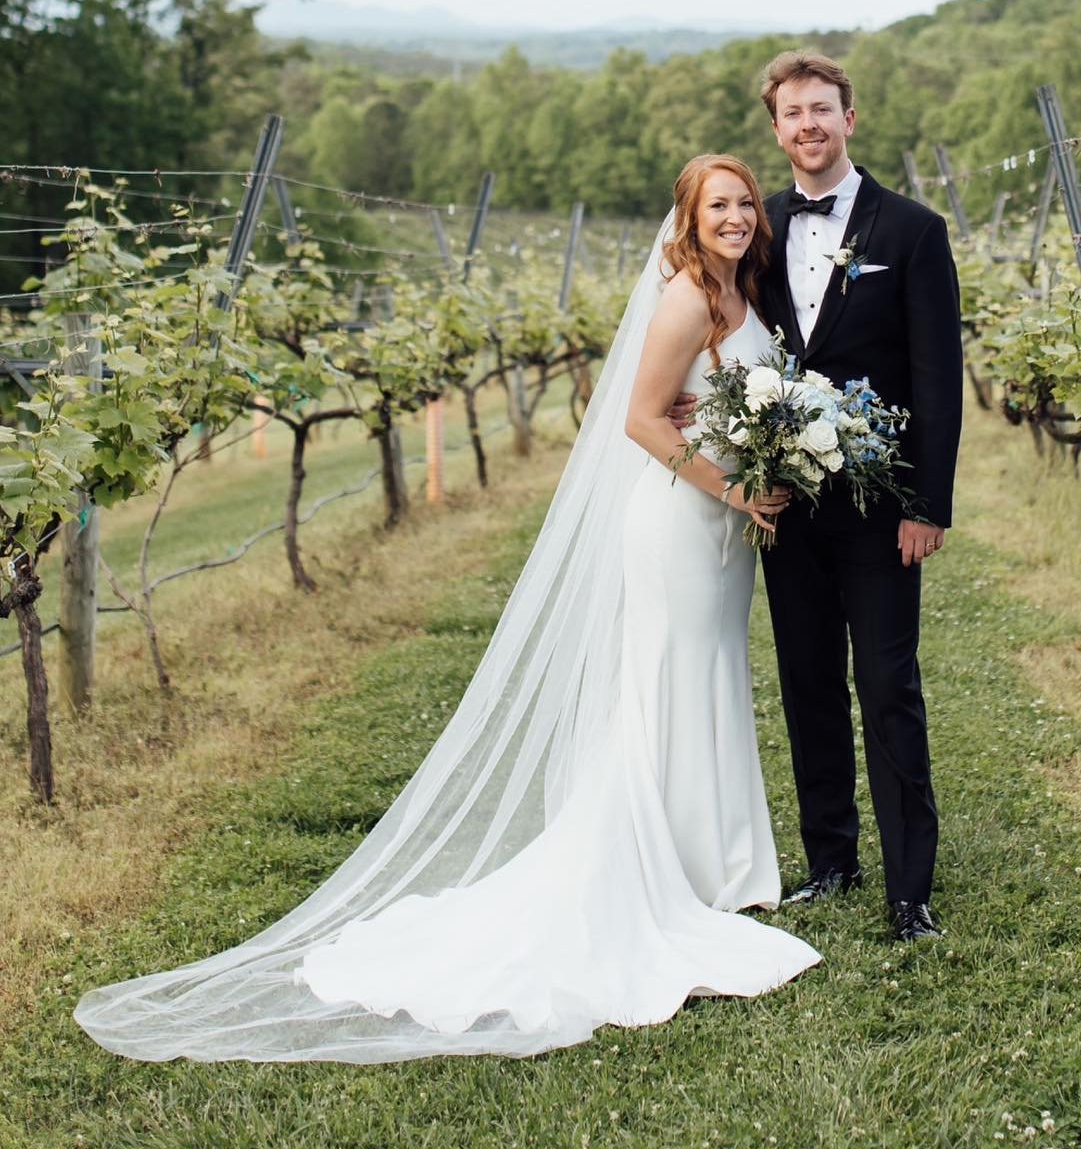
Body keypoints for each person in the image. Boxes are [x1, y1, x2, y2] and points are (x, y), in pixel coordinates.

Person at [74, 155, 819, 1063]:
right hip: (678, 521)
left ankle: (717, 865)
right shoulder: (685, 303)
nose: (737, 217)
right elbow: (641, 420)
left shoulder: (746, 299)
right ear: (689, 220)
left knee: (708, 676)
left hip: (721, 529)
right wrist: (735, 491)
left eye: (746, 203)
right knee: (665, 681)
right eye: (719, 207)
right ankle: (668, 871)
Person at [677, 52, 963, 942]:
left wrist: (929, 504)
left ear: (849, 119)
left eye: (821, 110)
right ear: (776, 129)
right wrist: (700, 402)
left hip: (881, 505)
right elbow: (725, 334)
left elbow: (937, 377)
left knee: (886, 684)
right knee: (805, 682)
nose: (806, 126)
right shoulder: (752, 229)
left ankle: (909, 886)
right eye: (791, 113)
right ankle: (831, 859)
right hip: (785, 502)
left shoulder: (912, 230)